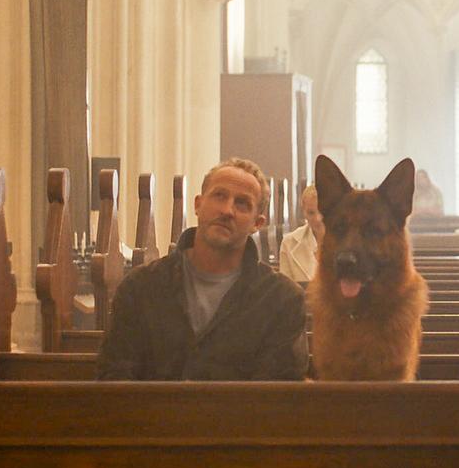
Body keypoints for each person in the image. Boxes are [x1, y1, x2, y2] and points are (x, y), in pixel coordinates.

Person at [97, 158, 308, 380]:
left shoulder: (282, 300)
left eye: (242, 204)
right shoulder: (140, 288)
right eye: (219, 196)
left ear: (258, 223)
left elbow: (278, 396)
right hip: (151, 414)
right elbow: (113, 379)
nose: (227, 210)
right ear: (198, 204)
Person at [279, 184, 324, 284]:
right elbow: (285, 290)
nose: (317, 219)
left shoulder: (346, 241)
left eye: (321, 211)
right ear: (303, 212)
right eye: (311, 213)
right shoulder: (289, 243)